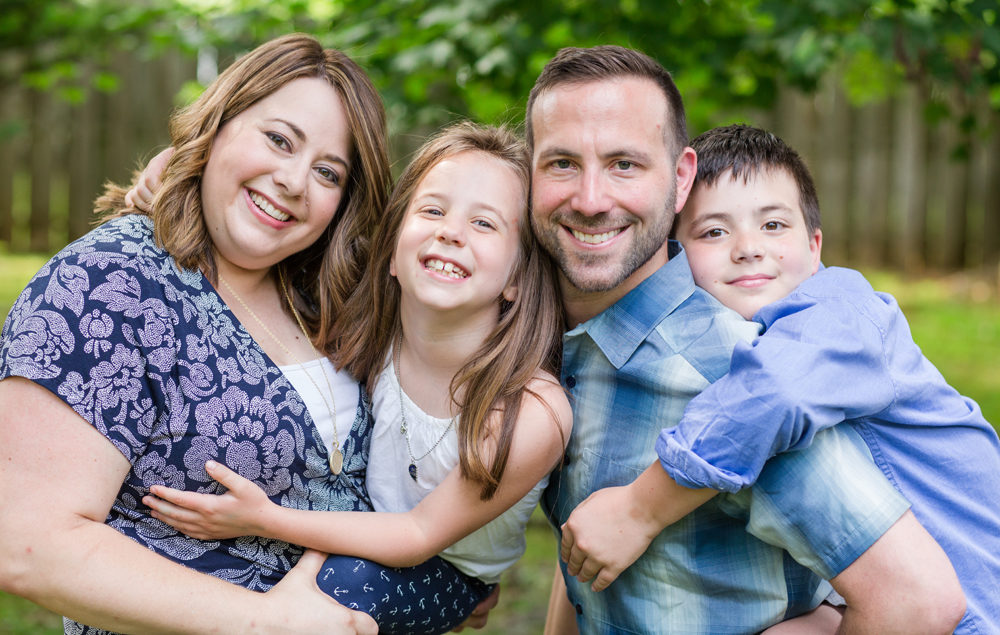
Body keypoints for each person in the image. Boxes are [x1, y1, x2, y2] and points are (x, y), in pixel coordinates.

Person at [529, 46, 965, 633]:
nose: (589, 198)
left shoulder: (735, 380)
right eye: (561, 163)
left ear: (681, 178)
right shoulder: (557, 341)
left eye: (624, 164)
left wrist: (642, 506)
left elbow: (917, 603)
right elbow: (584, 551)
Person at [0, 33, 394, 634]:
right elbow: (27, 542)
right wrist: (268, 623)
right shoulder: (110, 282)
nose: (292, 180)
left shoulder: (321, 296)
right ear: (219, 126)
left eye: (327, 172)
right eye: (278, 139)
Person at [130, 122, 573, 635]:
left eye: (485, 224)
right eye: (432, 210)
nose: (451, 231)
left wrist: (262, 518)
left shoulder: (529, 411)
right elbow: (286, 222)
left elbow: (417, 533)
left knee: (327, 593)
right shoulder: (371, 324)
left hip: (445, 568)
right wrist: (171, 167)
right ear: (391, 251)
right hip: (364, 525)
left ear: (518, 279)